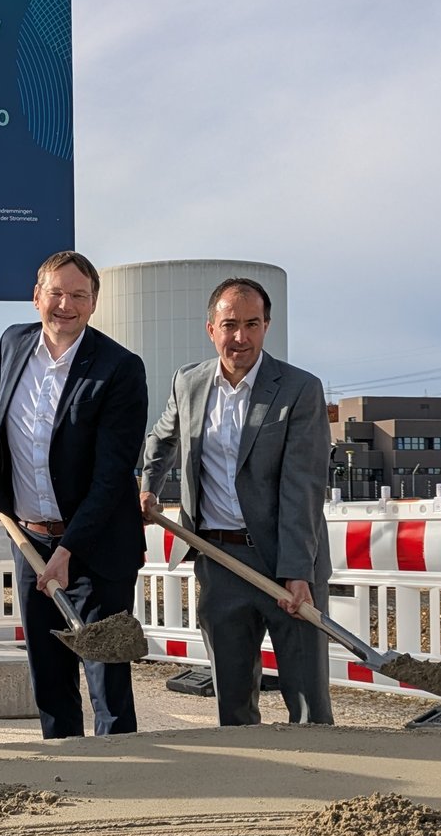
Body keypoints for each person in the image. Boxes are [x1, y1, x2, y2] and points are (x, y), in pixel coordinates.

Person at [139, 278, 333, 725]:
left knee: (307, 702)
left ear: (266, 326)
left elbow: (303, 485)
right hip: (217, 558)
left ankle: (327, 783)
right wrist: (148, 484)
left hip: (283, 562)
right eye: (230, 325)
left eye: (251, 324)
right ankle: (251, 789)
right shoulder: (189, 382)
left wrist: (297, 572)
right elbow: (161, 439)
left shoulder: (298, 389)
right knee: (233, 700)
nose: (240, 337)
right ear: (211, 329)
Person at [0, 251, 148, 737]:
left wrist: (70, 549)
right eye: (56, 293)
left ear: (94, 303)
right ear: (36, 297)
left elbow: (112, 476)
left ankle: (121, 770)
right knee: (48, 674)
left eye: (78, 296)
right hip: (30, 541)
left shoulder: (119, 369)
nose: (65, 305)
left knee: (105, 674)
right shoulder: (13, 344)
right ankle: (64, 769)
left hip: (97, 547)